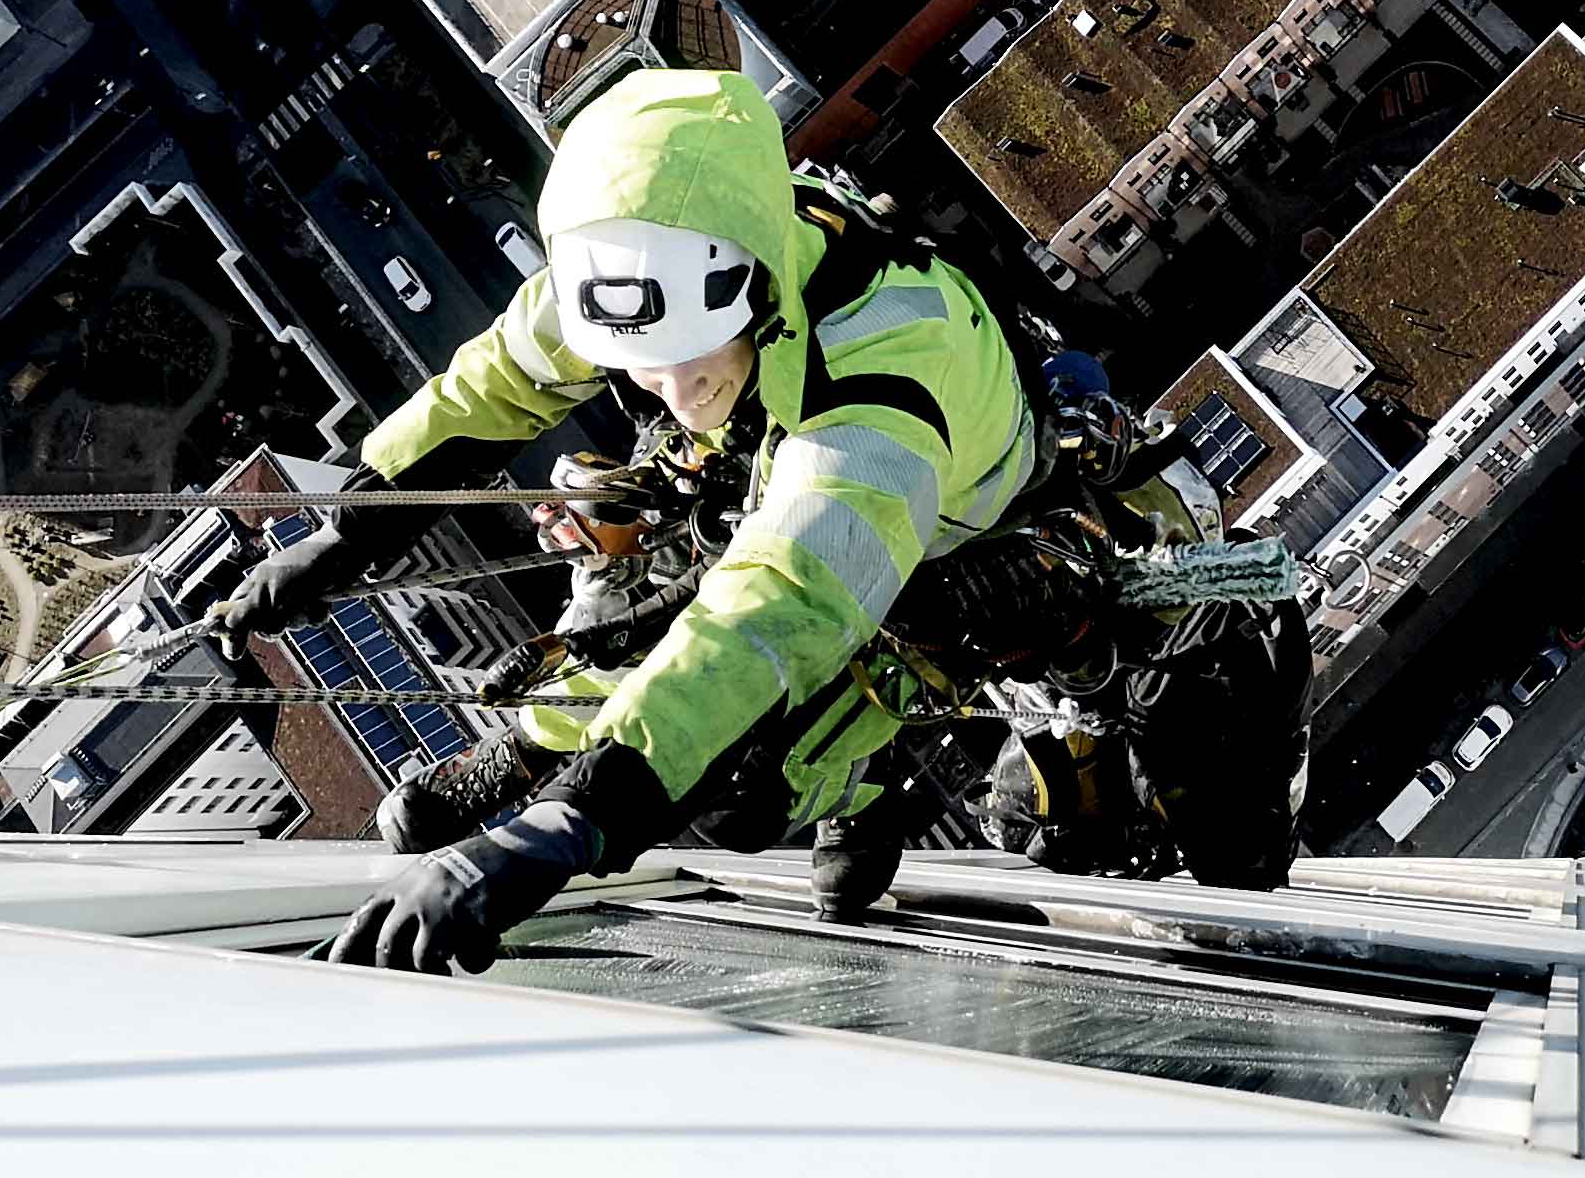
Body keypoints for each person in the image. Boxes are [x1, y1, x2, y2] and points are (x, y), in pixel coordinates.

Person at [211, 66, 1045, 973]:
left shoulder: (883, 391)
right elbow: (495, 384)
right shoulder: (646, 265)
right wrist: (350, 531)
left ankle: (867, 777)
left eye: (693, 363)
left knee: (740, 793)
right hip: (778, 456)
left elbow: (779, 608)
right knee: (632, 617)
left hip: (933, 521)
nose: (679, 395)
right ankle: (542, 741)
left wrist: (575, 824)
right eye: (647, 370)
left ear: (756, 297)